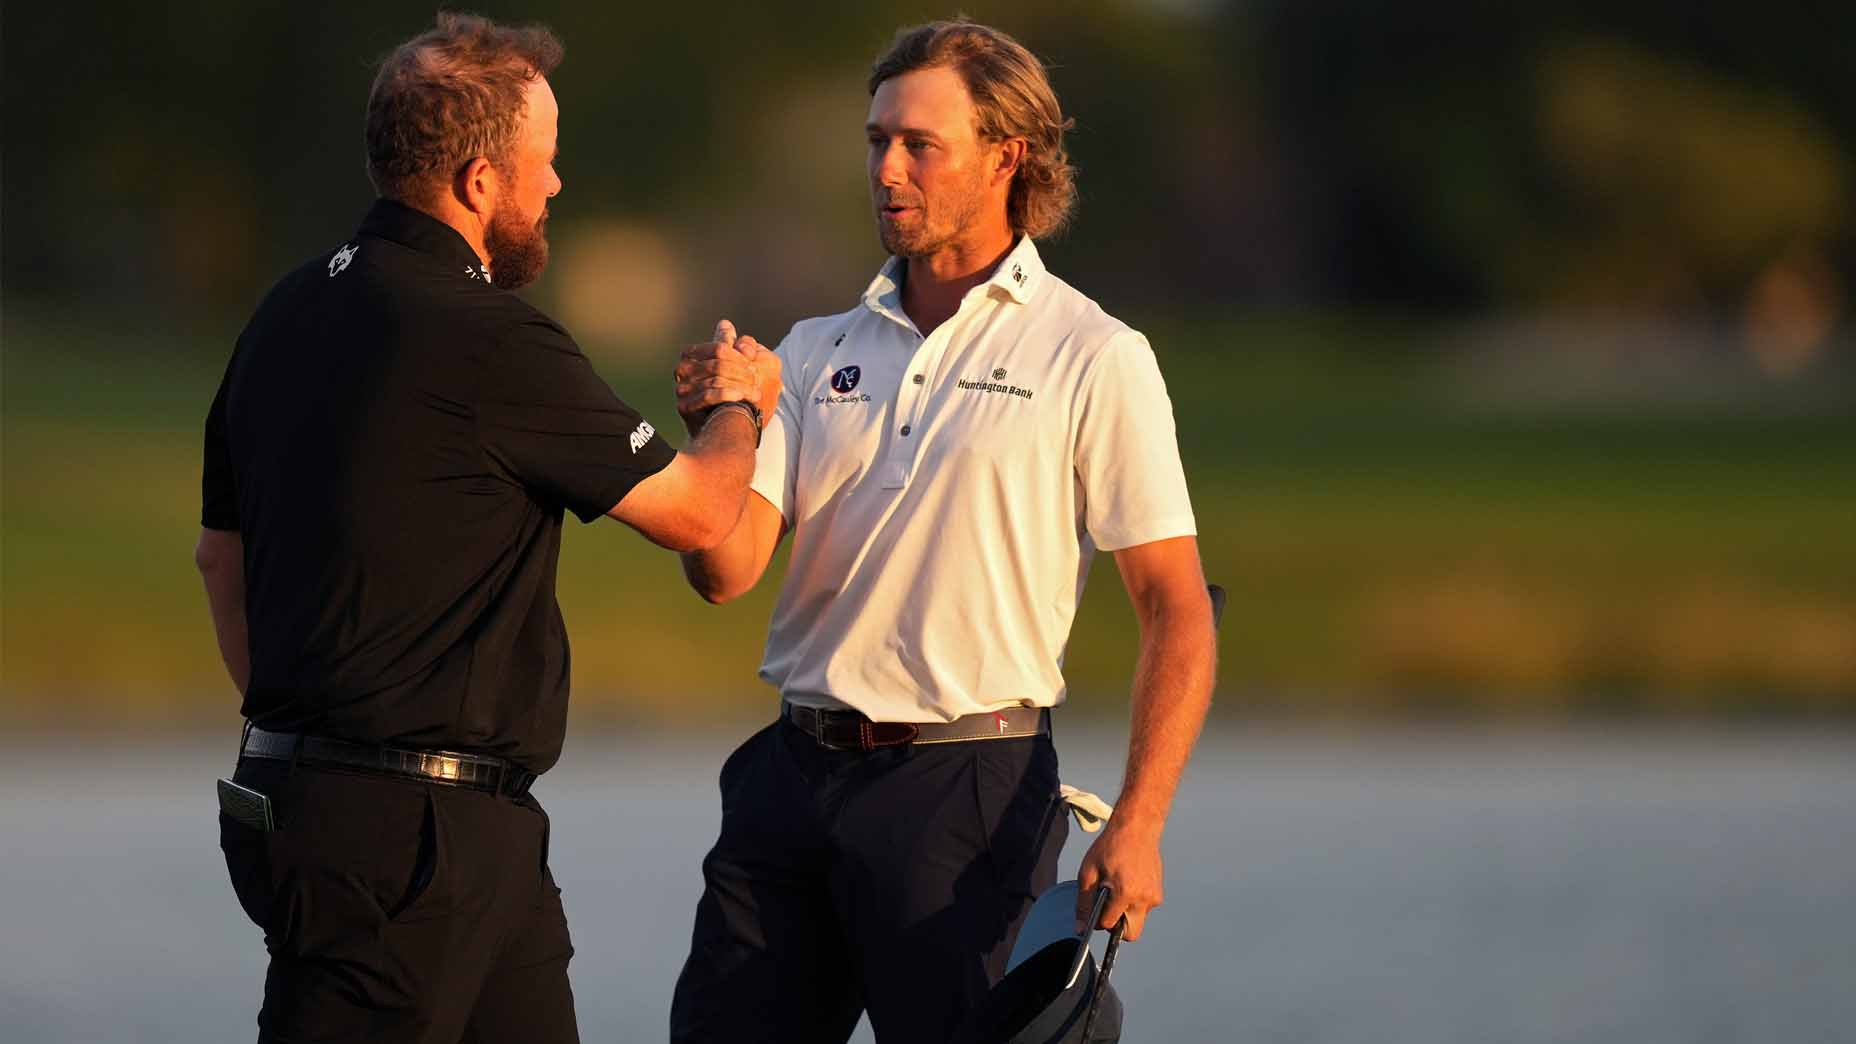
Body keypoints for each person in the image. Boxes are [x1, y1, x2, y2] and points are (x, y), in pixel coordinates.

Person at [194, 14, 777, 1043]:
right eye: (542, 165)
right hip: (412, 845)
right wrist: (739, 406)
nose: (554, 187)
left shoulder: (282, 313)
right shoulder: (488, 338)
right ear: (476, 180)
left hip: (378, 818)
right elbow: (697, 512)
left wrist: (309, 735)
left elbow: (218, 557)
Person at [666, 19, 1217, 1044]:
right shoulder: (810, 348)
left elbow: (1174, 611)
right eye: (876, 140)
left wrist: (1138, 824)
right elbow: (725, 569)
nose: (886, 167)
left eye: (919, 143)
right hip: (791, 779)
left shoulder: (1092, 354)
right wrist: (726, 425)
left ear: (1006, 155)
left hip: (966, 795)